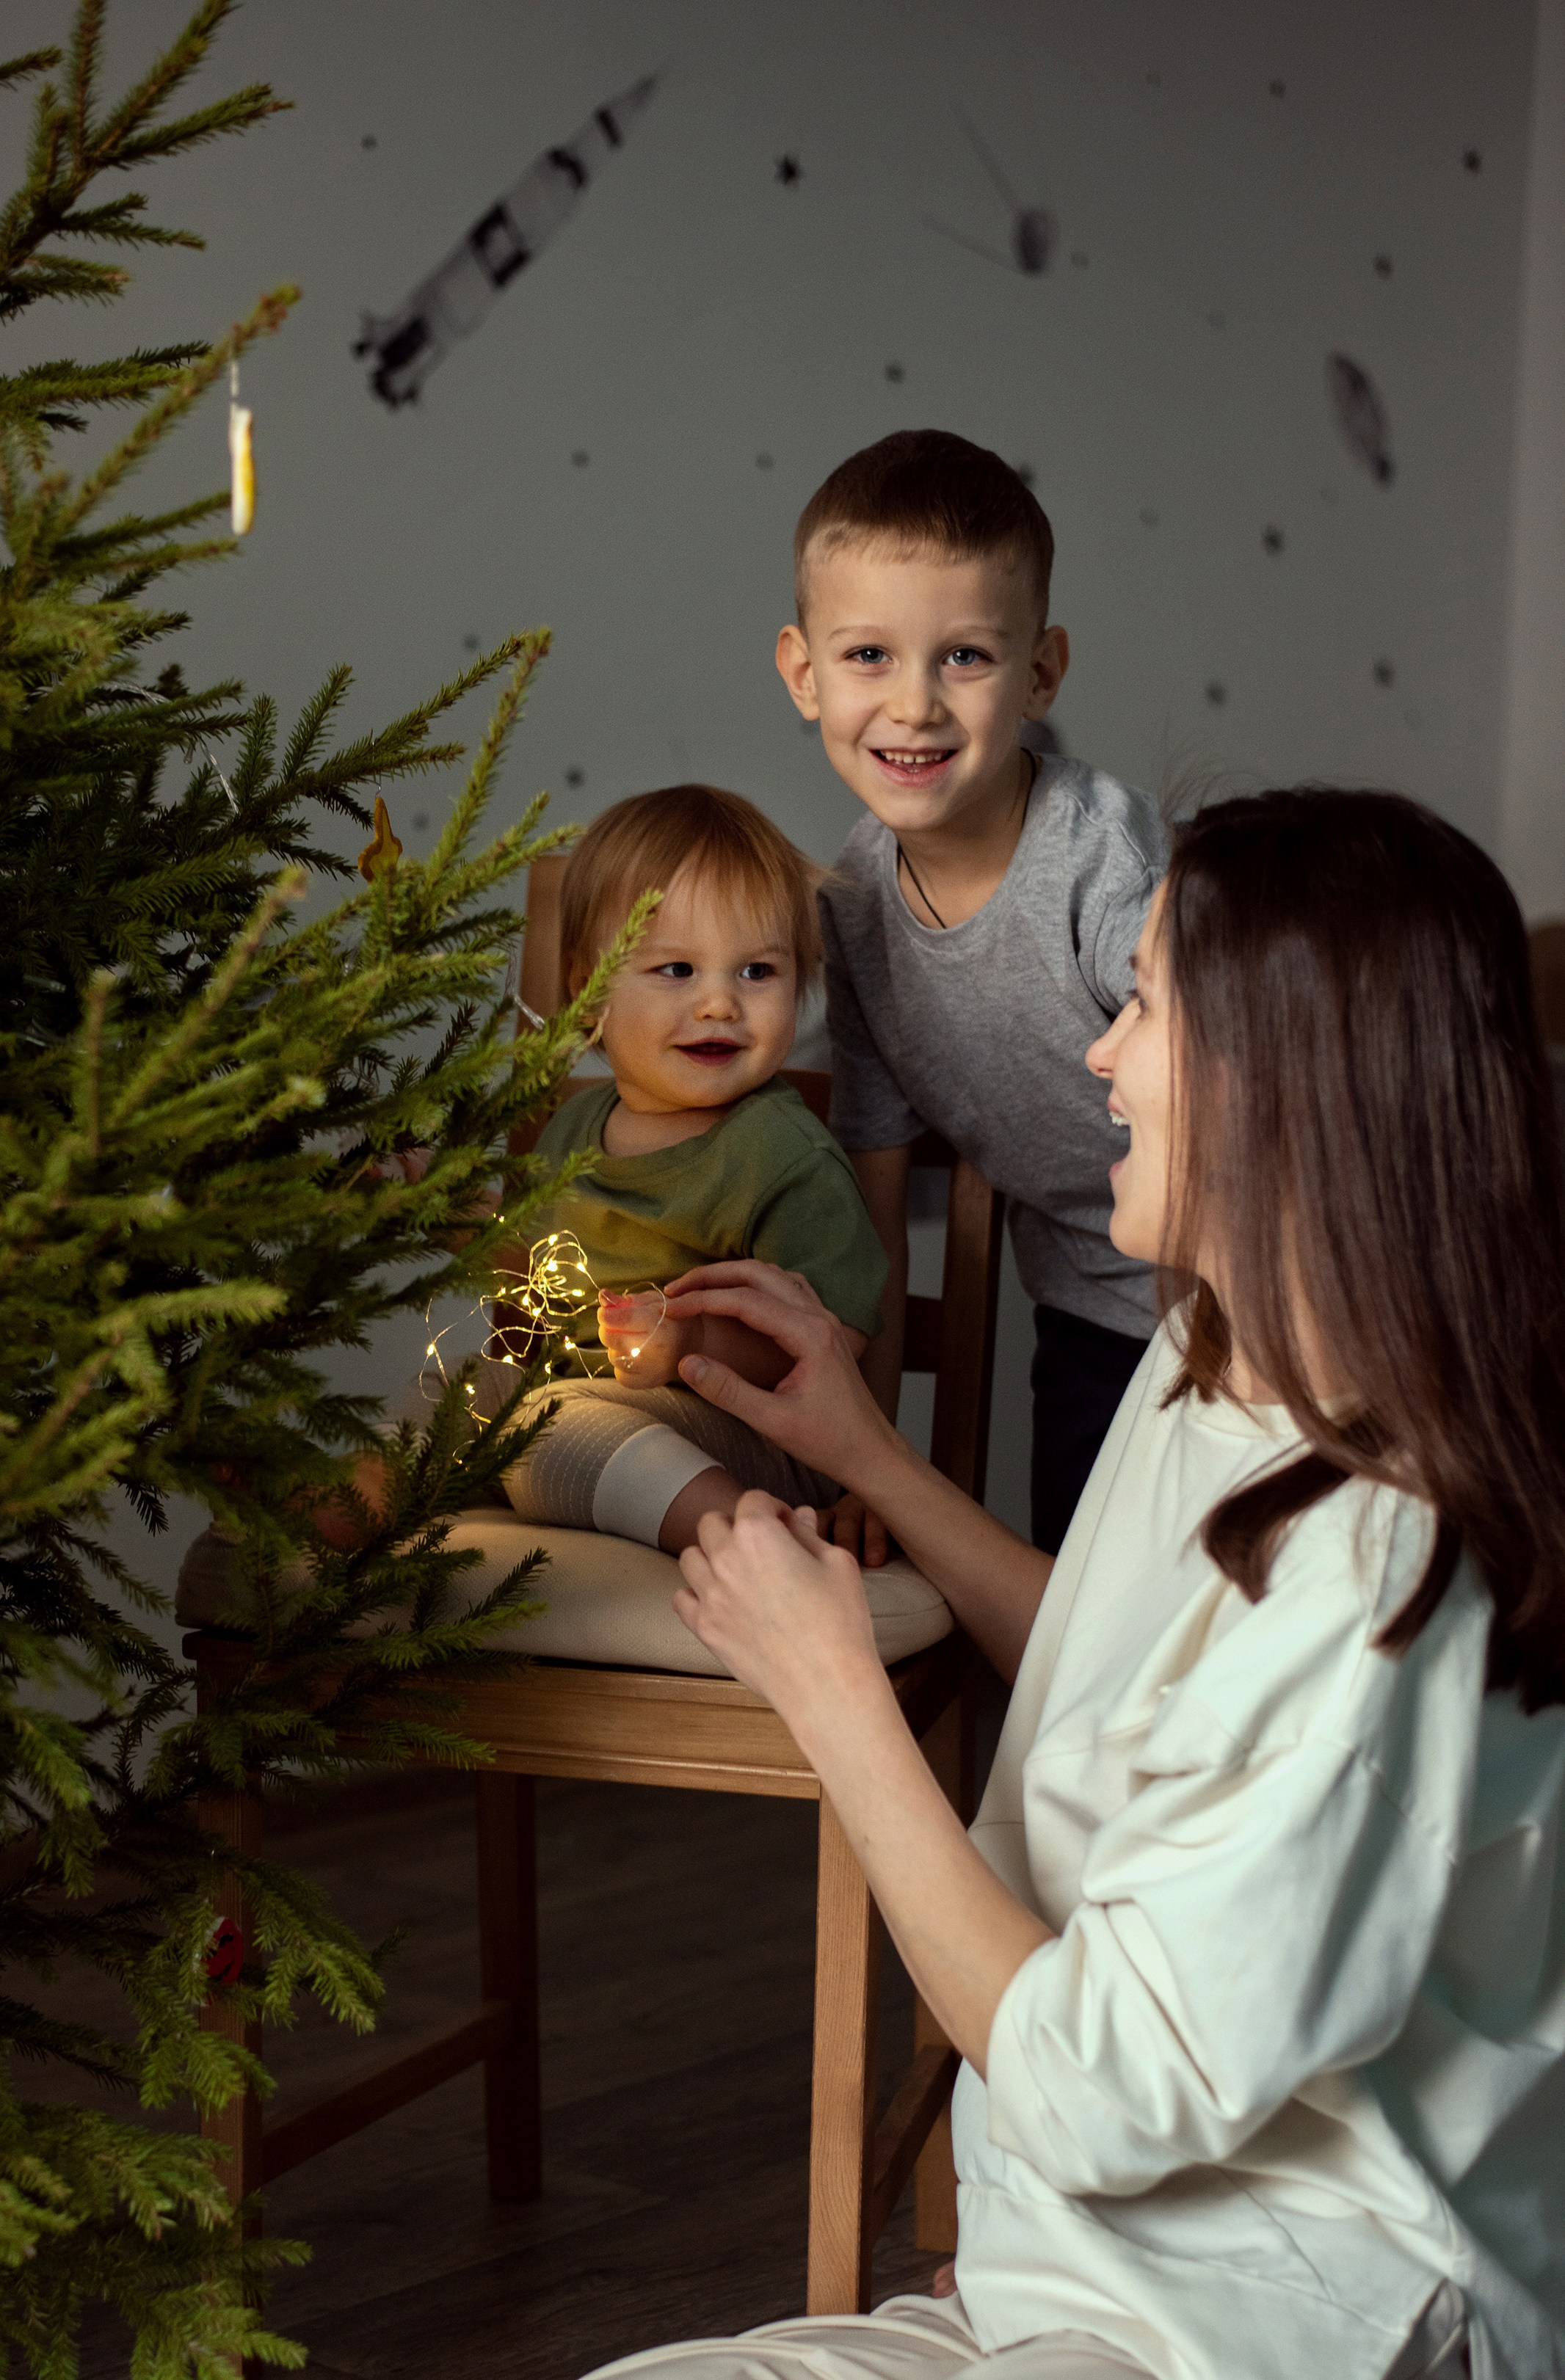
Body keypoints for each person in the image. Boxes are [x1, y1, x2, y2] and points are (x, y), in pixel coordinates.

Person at [589, 788, 1565, 2380]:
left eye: (1144, 1005)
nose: (1099, 1055)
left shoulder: (1386, 1568)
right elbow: (1137, 1690)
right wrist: (880, 1459)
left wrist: (835, 1700)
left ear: (1283, 1081)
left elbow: (1098, 2088)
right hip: (1076, 2277)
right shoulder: (1217, 1349)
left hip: (1290, 2314)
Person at [777, 429, 1168, 1559]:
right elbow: (875, 1222)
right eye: (867, 657)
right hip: (1091, 1313)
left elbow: (1244, 1129)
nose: (915, 706)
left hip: (1248, 1317)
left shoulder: (1105, 868)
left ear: (1041, 673)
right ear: (804, 674)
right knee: (1073, 1645)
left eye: (965, 658)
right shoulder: (856, 907)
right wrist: (872, 1464)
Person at [500, 784, 888, 1556]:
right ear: (588, 988)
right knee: (451, 1406)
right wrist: (443, 1219)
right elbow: (520, 1286)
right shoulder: (572, 1129)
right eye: (676, 970)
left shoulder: (779, 1153)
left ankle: (753, 1537)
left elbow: (834, 1341)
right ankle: (336, 1517)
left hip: (751, 1438)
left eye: (756, 973)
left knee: (545, 1430)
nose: (718, 1004)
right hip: (584, 1407)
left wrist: (691, 1339)